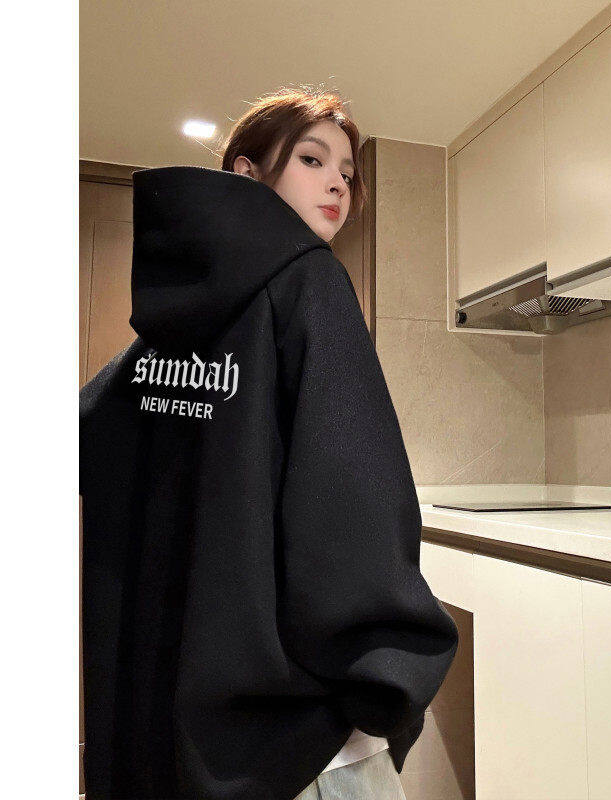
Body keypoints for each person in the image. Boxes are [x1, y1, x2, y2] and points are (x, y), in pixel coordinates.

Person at [79, 87, 459, 800]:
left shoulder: (168, 330)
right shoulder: (311, 282)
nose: (337, 184)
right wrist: (386, 675)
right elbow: (350, 502)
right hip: (295, 732)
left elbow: (90, 432)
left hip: (170, 714)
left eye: (347, 171)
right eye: (312, 160)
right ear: (248, 175)